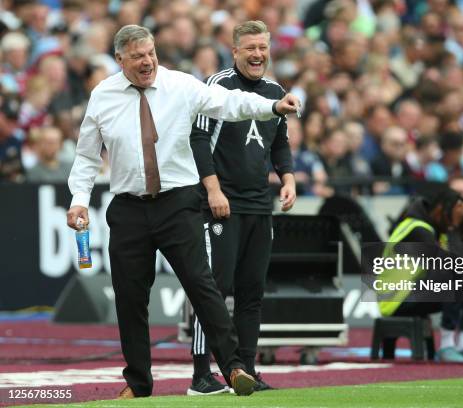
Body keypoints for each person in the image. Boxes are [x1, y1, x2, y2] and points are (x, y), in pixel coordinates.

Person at [66, 24, 300, 399]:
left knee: (203, 286)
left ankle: (234, 368)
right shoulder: (102, 95)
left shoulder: (181, 85)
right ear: (120, 60)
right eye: (138, 56)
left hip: (178, 203)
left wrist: (271, 106)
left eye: (151, 52)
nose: (147, 61)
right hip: (128, 208)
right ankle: (139, 383)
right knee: (129, 298)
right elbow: (87, 154)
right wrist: (79, 199)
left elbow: (230, 103)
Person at [186, 20, 296, 396]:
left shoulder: (275, 91)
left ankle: (246, 368)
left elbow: (280, 143)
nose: (257, 54)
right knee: (214, 287)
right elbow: (198, 138)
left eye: (263, 47)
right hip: (221, 204)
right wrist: (213, 190)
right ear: (234, 52)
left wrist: (289, 179)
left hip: (258, 205)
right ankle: (202, 373)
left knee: (252, 291)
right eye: (249, 47)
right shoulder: (217, 85)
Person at [377, 188, 463, 363]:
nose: (453, 224)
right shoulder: (417, 229)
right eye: (453, 218)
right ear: (440, 210)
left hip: (414, 292)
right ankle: (446, 345)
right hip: (395, 299)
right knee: (450, 274)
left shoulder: (436, 229)